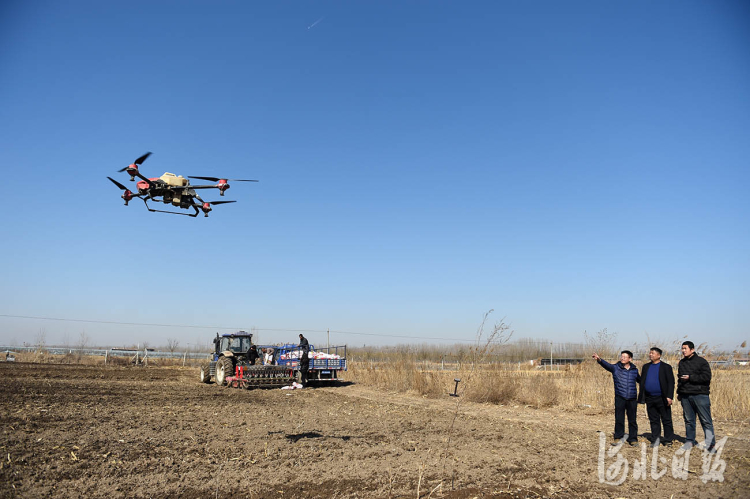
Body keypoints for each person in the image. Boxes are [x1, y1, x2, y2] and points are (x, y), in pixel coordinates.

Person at [592, 350, 640, 446]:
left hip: (632, 398)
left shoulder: (634, 370)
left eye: (624, 357)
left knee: (632, 420)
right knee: (619, 419)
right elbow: (607, 365)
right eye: (621, 356)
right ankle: (618, 438)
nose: (622, 358)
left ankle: (633, 439)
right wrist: (599, 359)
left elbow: (640, 380)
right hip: (620, 397)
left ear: (630, 359)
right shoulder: (616, 368)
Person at [677, 341, 714, 451]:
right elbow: (680, 379)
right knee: (689, 420)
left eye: (685, 348)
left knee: (706, 421)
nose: (683, 350)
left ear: (692, 350)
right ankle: (689, 441)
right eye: (682, 348)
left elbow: (706, 377)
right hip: (685, 396)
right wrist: (679, 392)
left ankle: (710, 444)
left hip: (700, 395)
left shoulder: (701, 362)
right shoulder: (682, 362)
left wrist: (690, 377)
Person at [637, 347, 675, 447]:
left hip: (662, 398)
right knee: (653, 419)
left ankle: (668, 439)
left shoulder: (666, 367)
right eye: (650, 353)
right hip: (650, 397)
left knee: (666, 419)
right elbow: (642, 380)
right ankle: (655, 439)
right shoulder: (646, 367)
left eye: (652, 353)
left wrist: (669, 396)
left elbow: (671, 383)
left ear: (659, 355)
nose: (650, 355)